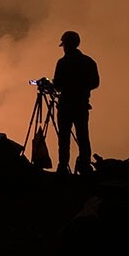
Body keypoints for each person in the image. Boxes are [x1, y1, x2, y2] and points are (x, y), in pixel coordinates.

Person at [52, 30, 99, 175]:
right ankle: (84, 165)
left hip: (66, 106)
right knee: (83, 136)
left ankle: (63, 166)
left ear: (66, 45)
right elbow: (95, 83)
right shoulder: (89, 62)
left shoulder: (63, 63)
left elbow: (58, 85)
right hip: (81, 105)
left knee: (64, 137)